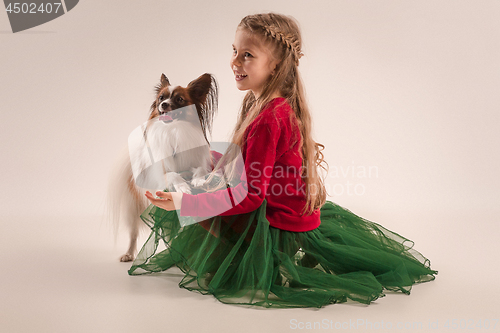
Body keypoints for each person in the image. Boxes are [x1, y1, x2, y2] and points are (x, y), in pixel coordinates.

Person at [131, 12, 437, 308]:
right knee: (191, 178)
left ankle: (265, 256)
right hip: (273, 207)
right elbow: (248, 166)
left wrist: (186, 202)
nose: (234, 62)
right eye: (234, 51)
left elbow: (251, 197)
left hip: (271, 221)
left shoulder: (269, 116)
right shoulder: (262, 101)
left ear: (275, 64)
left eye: (247, 55)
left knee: (186, 196)